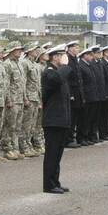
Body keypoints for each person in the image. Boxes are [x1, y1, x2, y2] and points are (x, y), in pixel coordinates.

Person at [40, 45, 72, 194]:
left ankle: (55, 181)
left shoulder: (57, 73)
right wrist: (65, 65)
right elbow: (58, 79)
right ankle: (48, 185)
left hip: (60, 120)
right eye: (61, 55)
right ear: (55, 57)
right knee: (52, 154)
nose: (64, 58)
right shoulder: (49, 73)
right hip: (52, 121)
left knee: (58, 153)